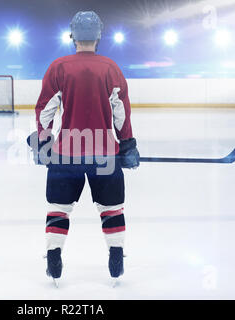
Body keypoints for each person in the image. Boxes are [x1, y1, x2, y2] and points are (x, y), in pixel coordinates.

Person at [27, 11, 140, 283]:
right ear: (99, 35)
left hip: (67, 154)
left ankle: (54, 256)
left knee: (59, 208)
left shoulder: (59, 67)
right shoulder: (110, 68)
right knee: (111, 209)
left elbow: (45, 110)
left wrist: (44, 141)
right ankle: (116, 253)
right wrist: (126, 145)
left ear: (72, 36)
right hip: (104, 153)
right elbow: (121, 112)